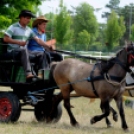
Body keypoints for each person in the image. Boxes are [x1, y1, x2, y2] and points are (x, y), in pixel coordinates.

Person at [3, 10, 51, 82]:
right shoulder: (13, 27)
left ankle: (43, 77)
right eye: (28, 18)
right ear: (21, 17)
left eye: (30, 18)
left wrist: (48, 46)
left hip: (24, 52)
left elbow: (38, 40)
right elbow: (5, 39)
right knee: (24, 49)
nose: (29, 20)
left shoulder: (29, 30)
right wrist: (18, 42)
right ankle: (28, 73)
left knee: (42, 54)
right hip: (13, 52)